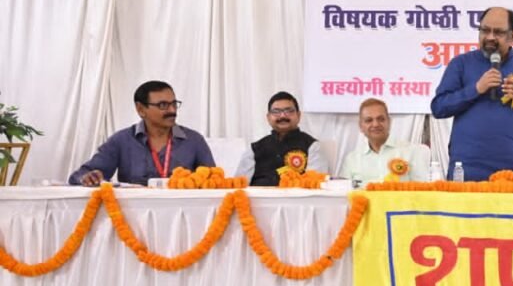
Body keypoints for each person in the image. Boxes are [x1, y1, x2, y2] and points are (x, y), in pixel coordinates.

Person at [430, 6, 513, 181]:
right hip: (467, 169)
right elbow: (439, 107)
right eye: (485, 30)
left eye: (498, 32)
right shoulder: (461, 64)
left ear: (512, 37)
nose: (490, 37)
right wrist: (476, 89)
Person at [69, 80, 214, 186]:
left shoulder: (194, 141)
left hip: (181, 214)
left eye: (174, 104)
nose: (172, 110)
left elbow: (214, 181)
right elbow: (79, 176)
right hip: (132, 216)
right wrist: (89, 178)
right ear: (141, 109)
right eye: (163, 105)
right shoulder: (121, 140)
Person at [236, 91, 329, 186]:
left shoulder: (312, 146)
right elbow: (238, 185)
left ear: (298, 115)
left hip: (297, 195)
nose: (283, 116)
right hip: (259, 195)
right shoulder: (254, 149)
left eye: (289, 111)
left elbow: (316, 185)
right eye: (276, 112)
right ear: (268, 117)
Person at [341, 98, 430, 184]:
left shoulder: (412, 152)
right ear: (361, 126)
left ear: (389, 122)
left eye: (381, 119)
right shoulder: (352, 159)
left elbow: (422, 188)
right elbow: (344, 191)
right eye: (369, 120)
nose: (375, 124)